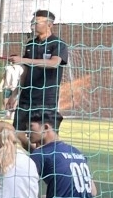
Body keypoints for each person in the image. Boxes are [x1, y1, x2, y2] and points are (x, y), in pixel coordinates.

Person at [28, 111, 98, 198]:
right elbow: (93, 191)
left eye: (31, 127)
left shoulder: (40, 154)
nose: (27, 133)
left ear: (45, 127)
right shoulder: (76, 152)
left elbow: (23, 191)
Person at [6, 9, 68, 139]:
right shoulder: (31, 44)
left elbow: (54, 63)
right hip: (26, 98)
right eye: (32, 22)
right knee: (17, 133)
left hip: (46, 99)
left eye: (37, 22)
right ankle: (31, 151)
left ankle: (42, 152)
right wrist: (14, 94)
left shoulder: (58, 44)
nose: (33, 25)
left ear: (49, 24)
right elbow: (25, 71)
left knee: (45, 137)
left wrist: (24, 60)